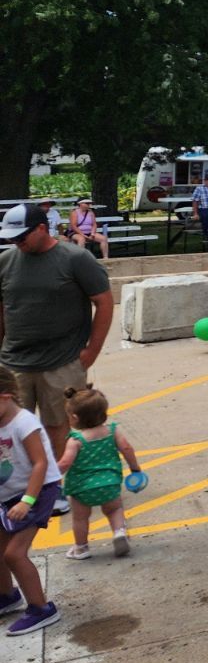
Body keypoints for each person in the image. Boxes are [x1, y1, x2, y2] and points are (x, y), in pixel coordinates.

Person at [0, 203, 112, 513]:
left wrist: (91, 351)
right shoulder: (6, 262)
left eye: (21, 237)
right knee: (10, 430)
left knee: (58, 426)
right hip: (14, 362)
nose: (16, 243)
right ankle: (19, 489)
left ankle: (55, 488)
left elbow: (104, 302)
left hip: (62, 361)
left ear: (41, 229)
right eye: (11, 238)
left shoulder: (75, 259)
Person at [0, 364, 63, 634]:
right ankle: (7, 596)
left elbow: (40, 463)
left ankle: (41, 608)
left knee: (14, 554)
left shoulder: (23, 423)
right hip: (9, 495)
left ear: (5, 397)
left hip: (37, 492)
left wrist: (27, 500)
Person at [58, 385, 140, 561]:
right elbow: (126, 448)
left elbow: (65, 463)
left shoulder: (75, 440)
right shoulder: (112, 431)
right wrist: (135, 469)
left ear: (75, 417)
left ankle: (81, 548)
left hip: (81, 488)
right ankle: (119, 532)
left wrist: (48, 476)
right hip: (109, 483)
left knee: (80, 518)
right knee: (114, 509)